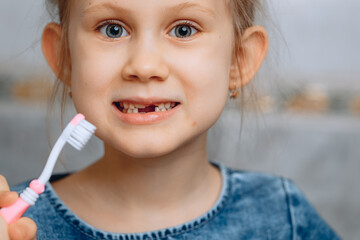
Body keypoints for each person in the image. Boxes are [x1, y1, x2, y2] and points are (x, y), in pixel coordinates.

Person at [0, 0, 340, 239]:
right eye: (113, 29)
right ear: (66, 59)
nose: (145, 66)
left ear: (238, 61)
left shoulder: (283, 217)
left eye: (183, 30)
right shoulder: (16, 224)